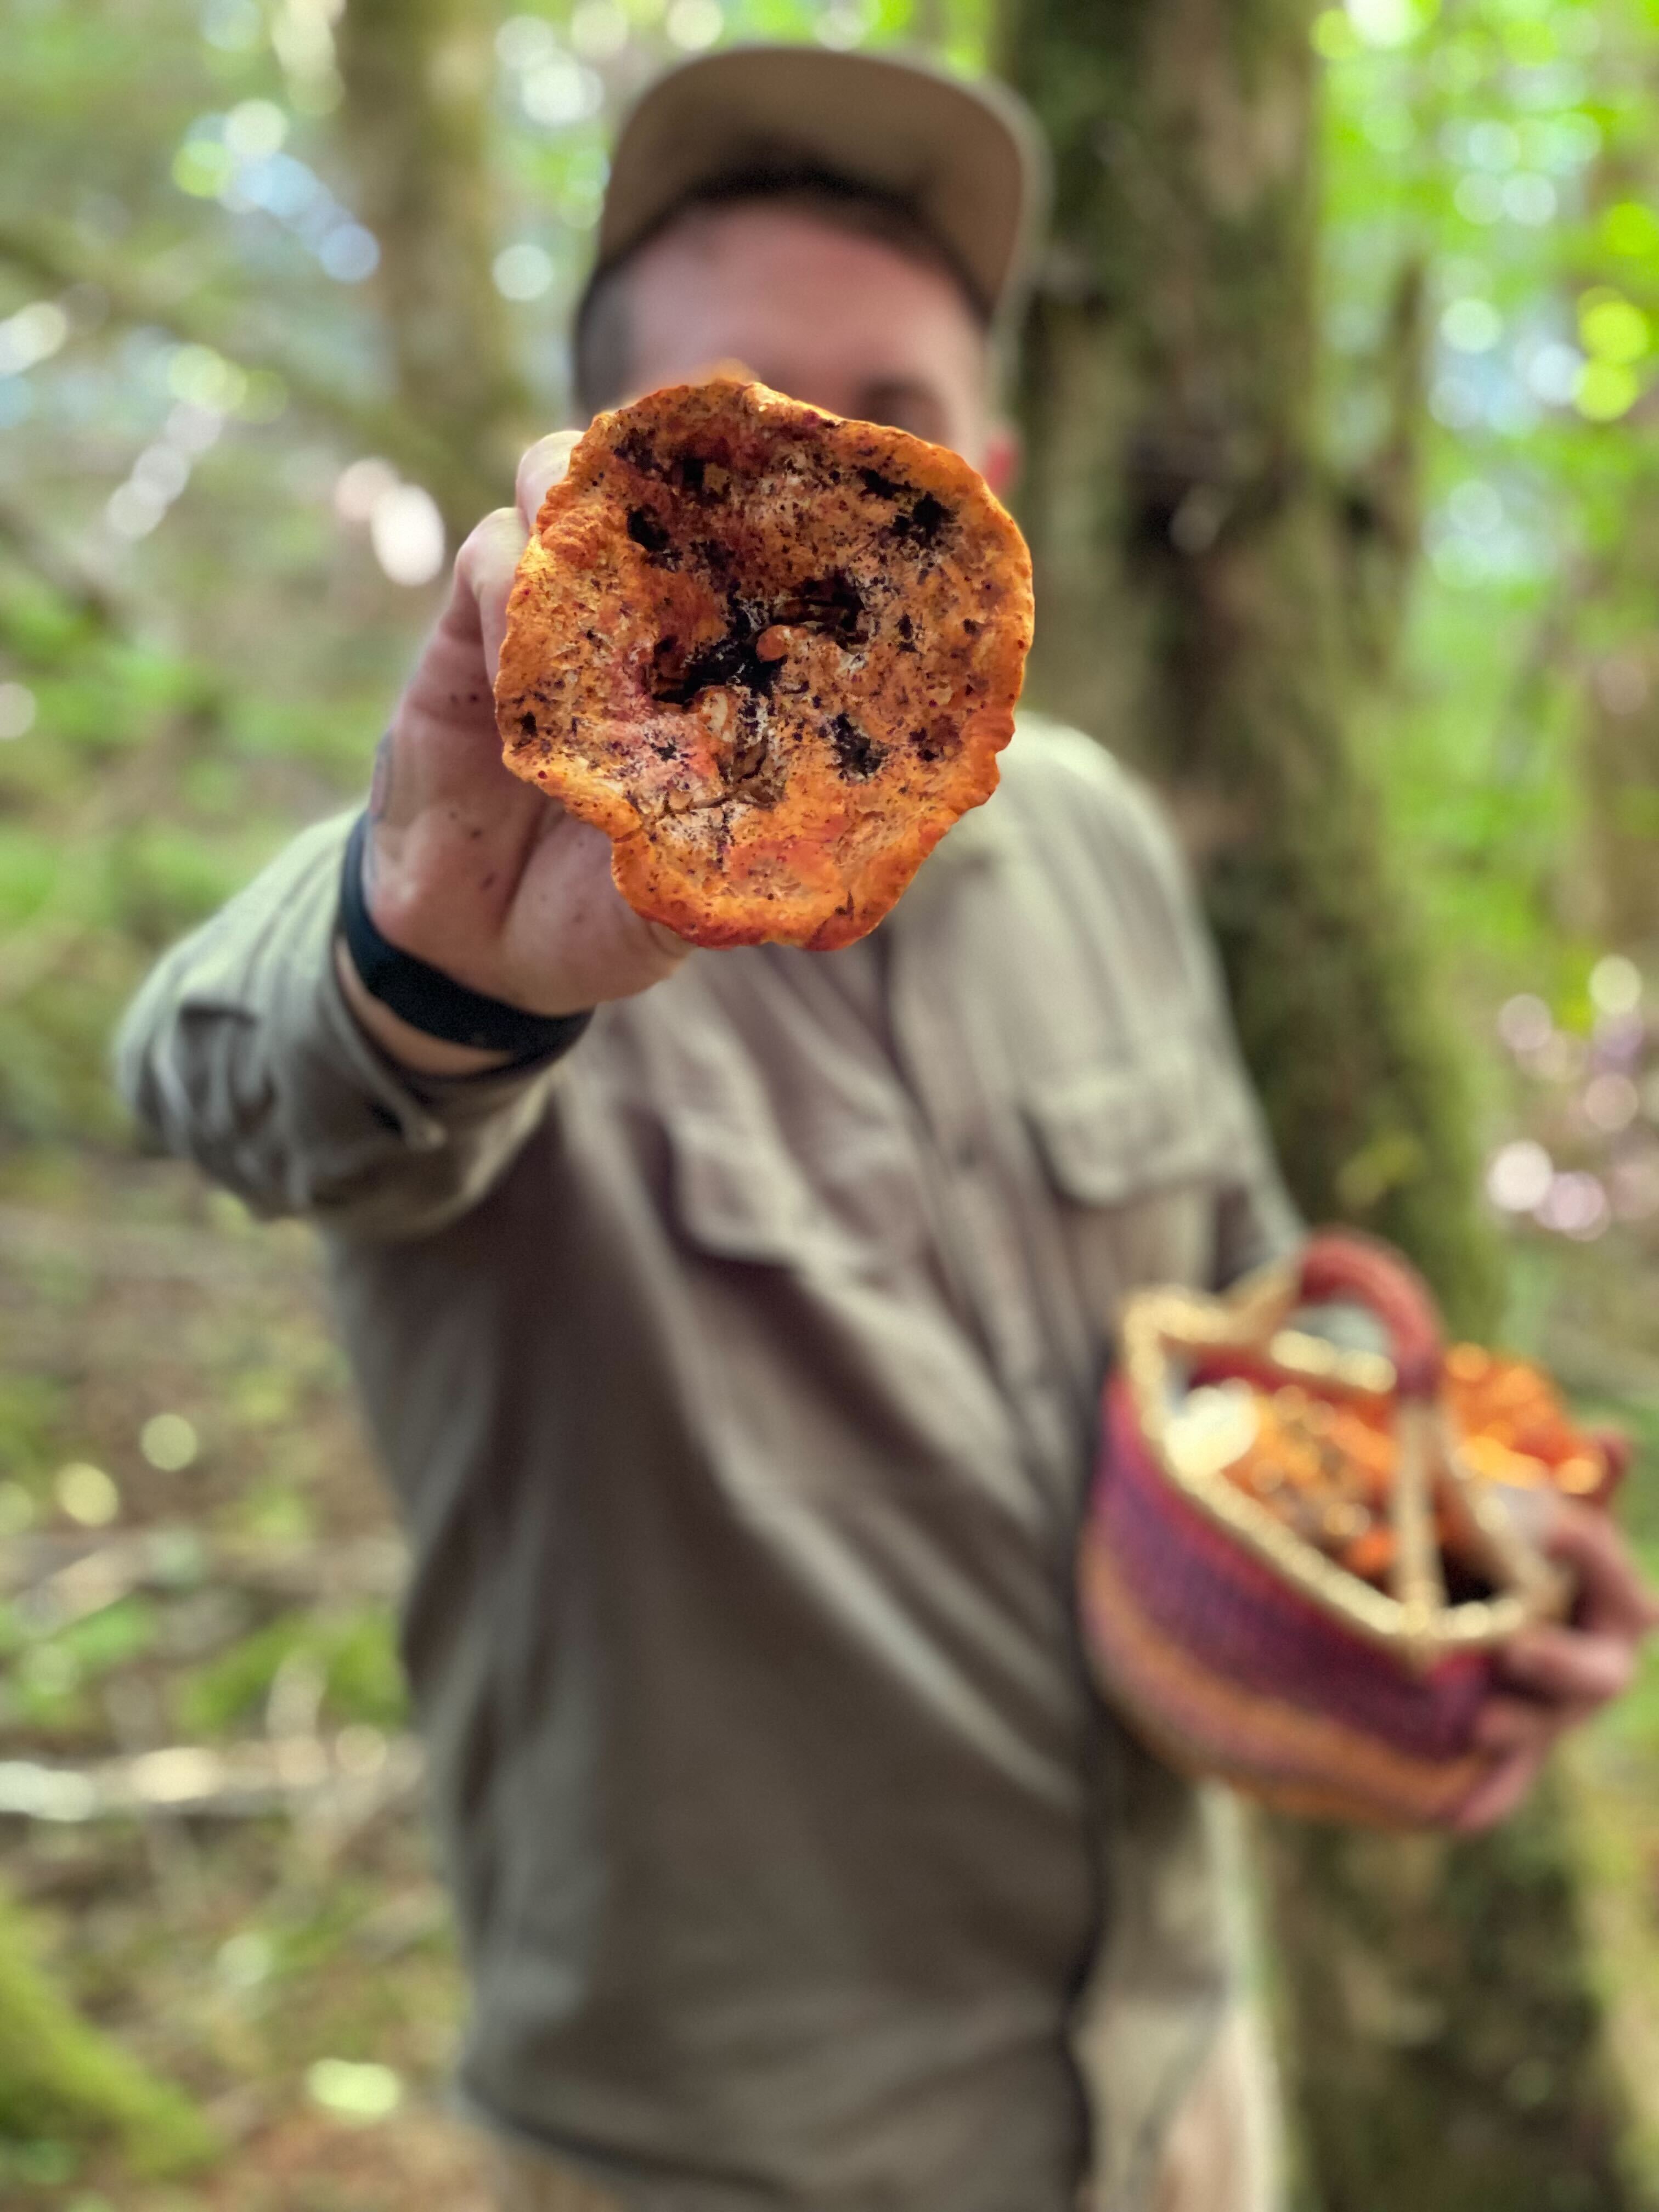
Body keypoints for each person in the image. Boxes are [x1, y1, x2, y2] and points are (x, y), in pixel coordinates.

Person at [116, 45, 1657, 2212]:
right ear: (595, 505)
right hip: (736, 2152)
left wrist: (1436, 1557)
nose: (826, 510)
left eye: (901, 429)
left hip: (1174, 2091)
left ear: (995, 484)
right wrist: (431, 961)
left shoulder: (1104, 843)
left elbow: (1237, 1319)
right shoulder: (485, 892)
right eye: (749, 428)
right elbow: (221, 1082)